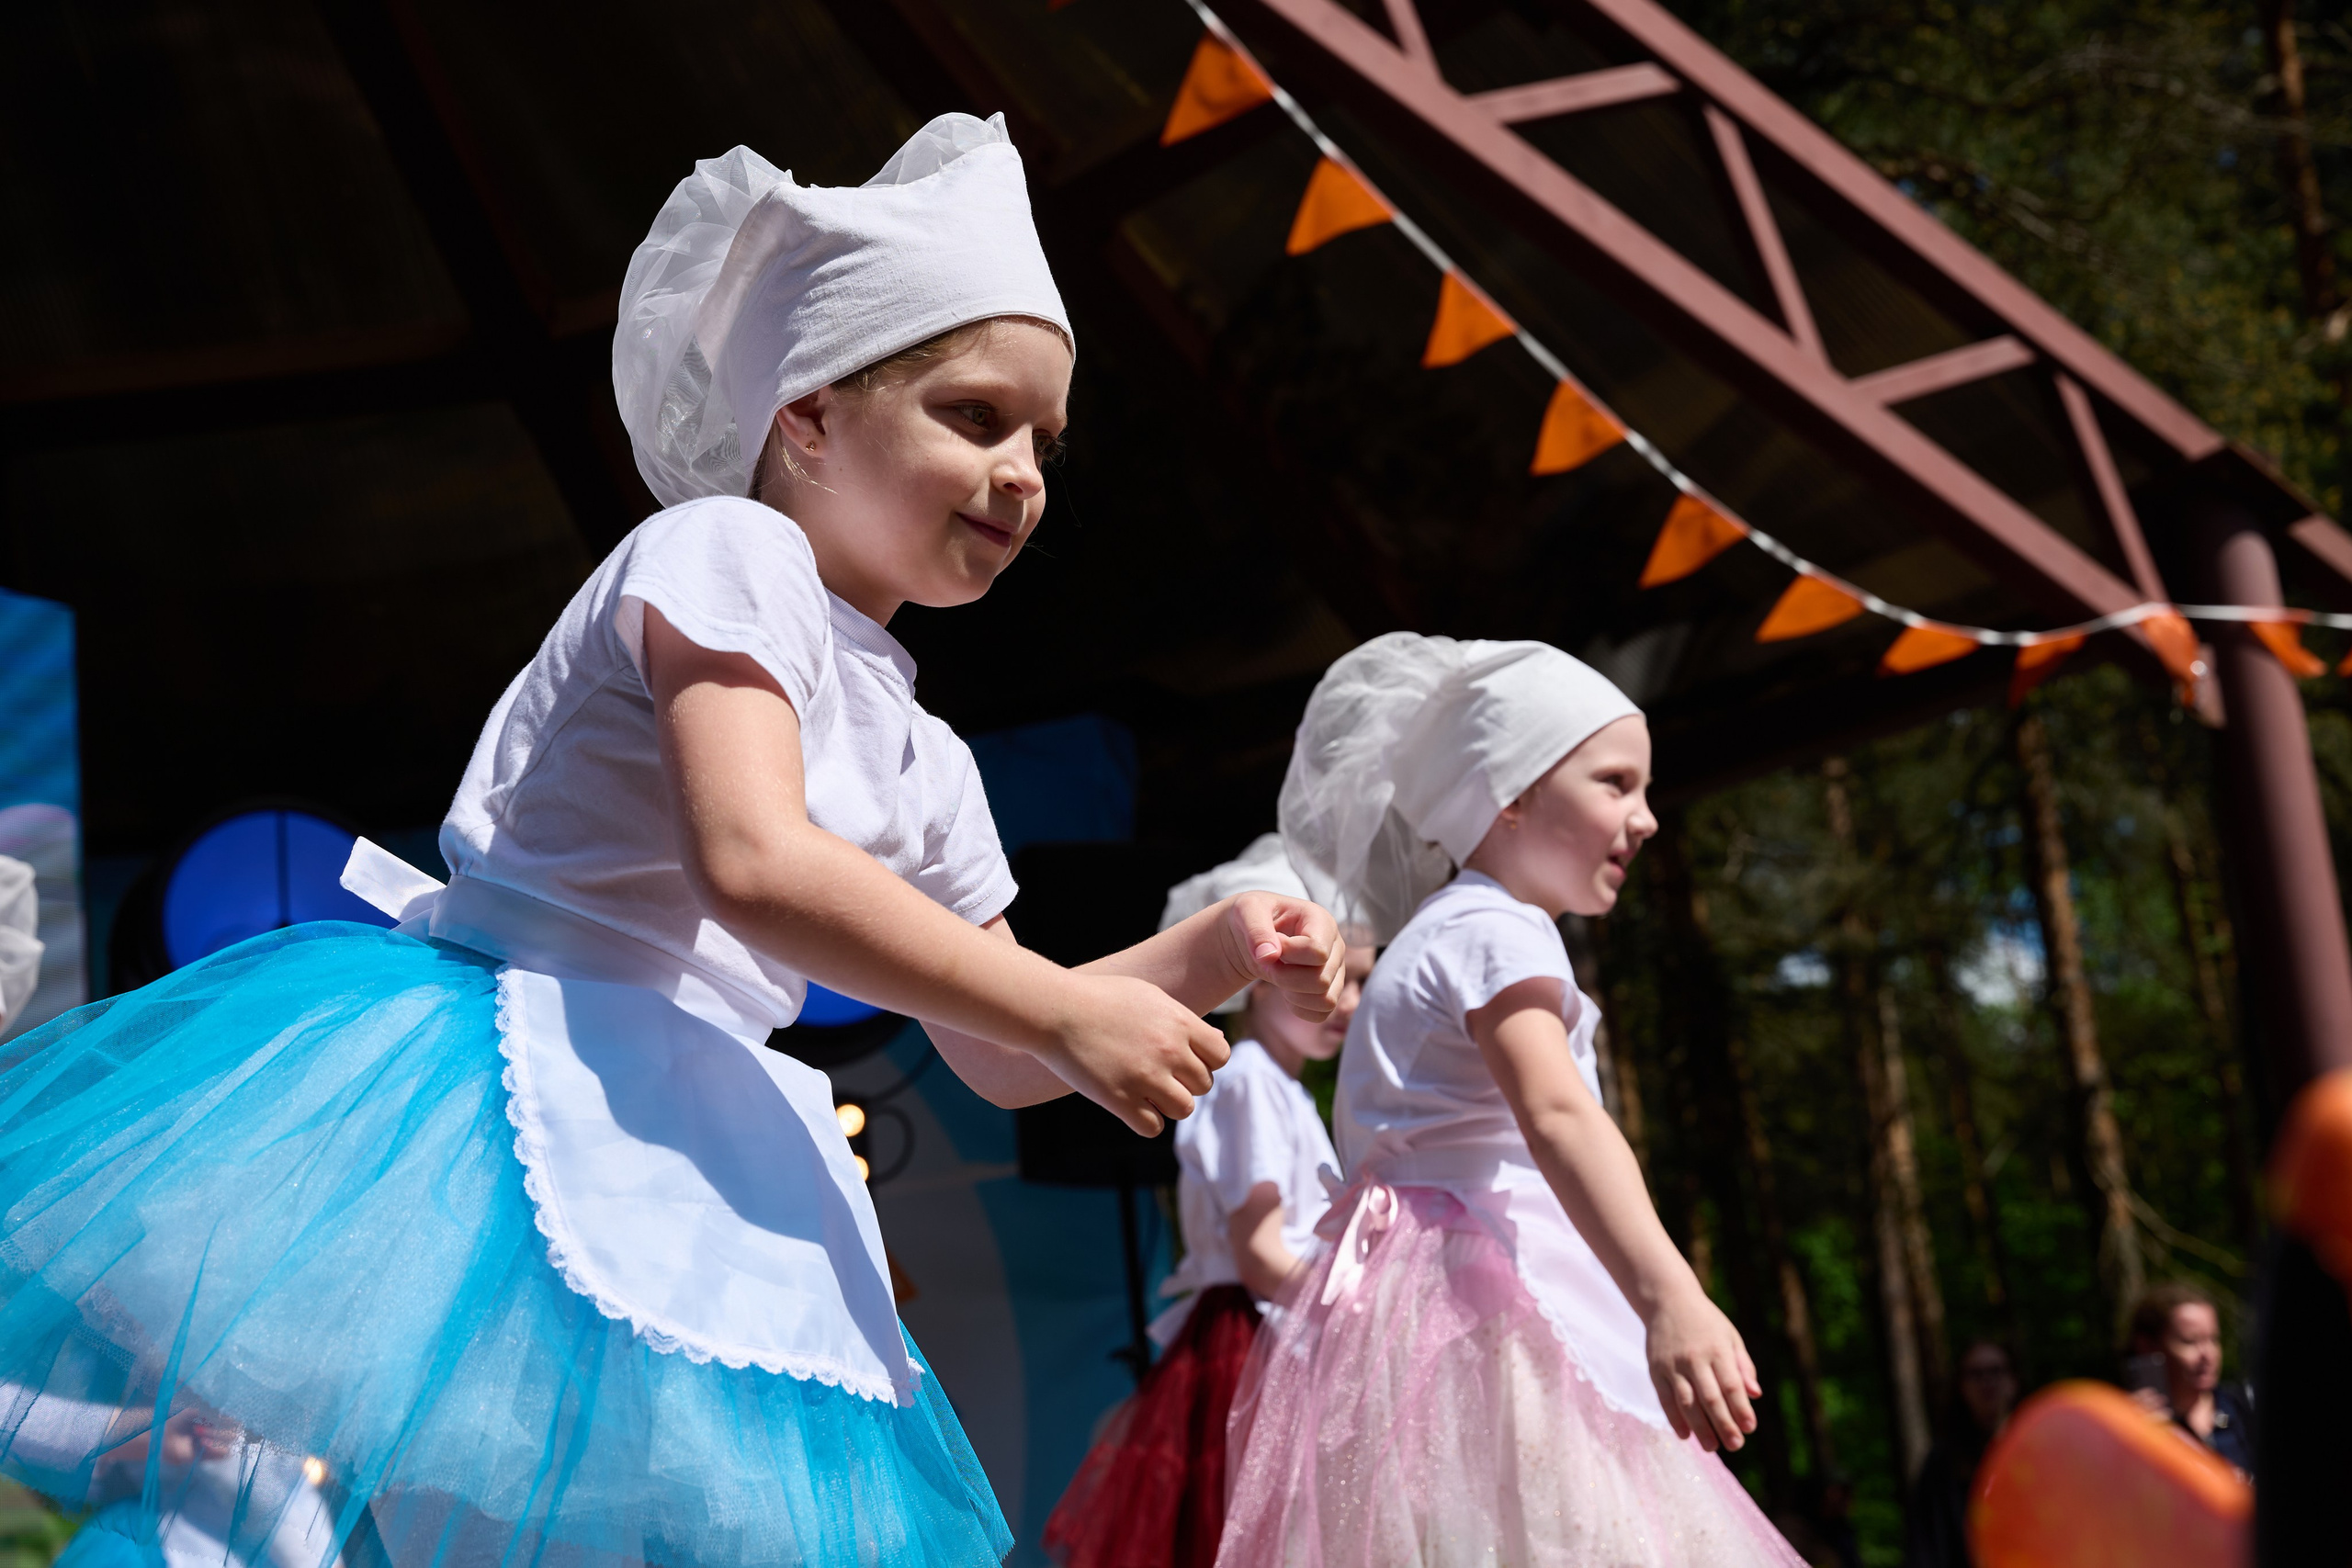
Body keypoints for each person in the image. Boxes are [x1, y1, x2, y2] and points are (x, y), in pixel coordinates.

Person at [0, 114, 1345, 1568]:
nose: (1023, 469)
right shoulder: (727, 551)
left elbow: (1000, 1045)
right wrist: (1070, 1005)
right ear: (807, 417)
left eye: (1043, 439)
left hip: (692, 1122)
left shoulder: (925, 750)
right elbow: (754, 859)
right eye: (974, 414)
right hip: (514, 1080)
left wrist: (1206, 947)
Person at [1218, 633, 1804, 1564]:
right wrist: (1668, 1296)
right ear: (1513, 795)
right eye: (1614, 783)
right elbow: (1560, 1113)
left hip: (1420, 1318)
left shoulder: (1434, 935)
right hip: (1494, 1304)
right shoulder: (1498, 930)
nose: (1646, 818)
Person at [1045, 834, 1370, 1568]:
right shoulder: (1251, 1078)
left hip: (1270, 1327)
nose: (1347, 999)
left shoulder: (1278, 1084)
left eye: (1356, 979)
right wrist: (1358, 1321)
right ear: (1259, 979)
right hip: (1254, 1334)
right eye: (1332, 976)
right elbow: (1260, 1254)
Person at [1903, 1339, 2020, 1567]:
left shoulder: (2038, 1452)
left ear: (2013, 1381)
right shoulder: (1941, 1465)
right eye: (1976, 1374)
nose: (1987, 1382)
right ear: (1961, 1386)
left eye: (1995, 1371)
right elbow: (1925, 1548)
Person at [2126, 1281, 2254, 1475]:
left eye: (2213, 1339)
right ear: (2148, 1346)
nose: (2208, 1355)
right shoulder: (2130, 1428)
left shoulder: (2245, 1407)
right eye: (2190, 1341)